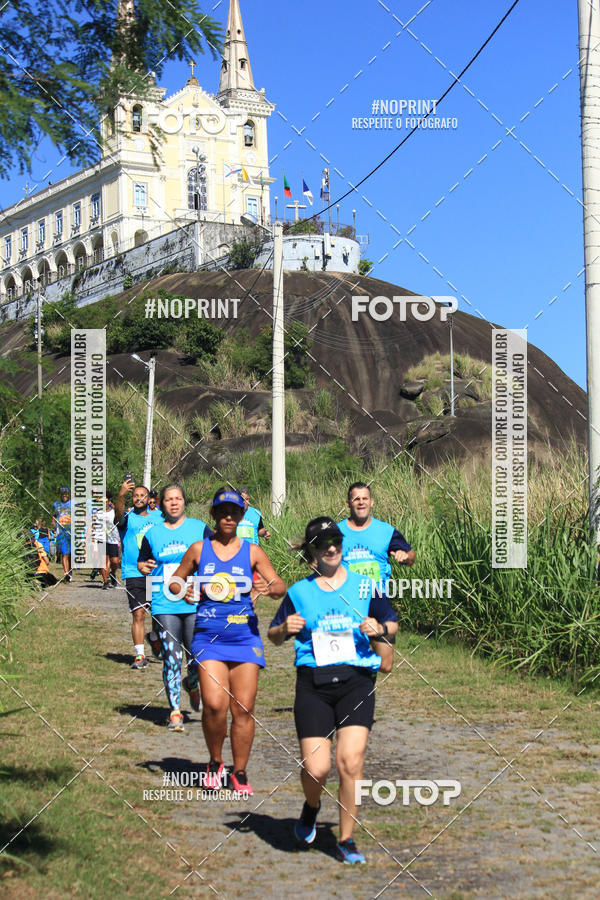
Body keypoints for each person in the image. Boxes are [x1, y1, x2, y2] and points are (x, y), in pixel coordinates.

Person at [268, 516, 398, 864]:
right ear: (312, 551)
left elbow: (392, 621)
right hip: (314, 685)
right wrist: (284, 627)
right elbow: (274, 635)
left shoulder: (365, 585)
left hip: (356, 681)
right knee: (316, 769)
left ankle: (346, 839)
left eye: (336, 541)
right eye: (324, 543)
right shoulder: (299, 592)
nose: (331, 547)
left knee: (350, 762)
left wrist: (378, 626)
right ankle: (311, 807)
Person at [170, 487, 285, 794]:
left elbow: (279, 584)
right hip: (208, 637)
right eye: (223, 512)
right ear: (214, 516)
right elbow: (174, 580)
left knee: (243, 709)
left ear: (241, 516)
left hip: (245, 637)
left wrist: (269, 587)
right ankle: (215, 761)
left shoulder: (253, 552)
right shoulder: (198, 549)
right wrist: (183, 589)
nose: (229, 517)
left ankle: (241, 771)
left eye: (234, 512)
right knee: (214, 706)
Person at [137, 483, 212, 731]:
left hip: (194, 601)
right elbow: (143, 564)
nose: (173, 503)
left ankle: (191, 683)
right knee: (172, 657)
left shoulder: (200, 529)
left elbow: (214, 561)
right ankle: (175, 712)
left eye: (178, 498)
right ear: (162, 504)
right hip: (164, 602)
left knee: (198, 659)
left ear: (184, 502)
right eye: (169, 499)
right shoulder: (153, 534)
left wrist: (201, 587)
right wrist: (142, 568)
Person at [114, 478, 162, 669]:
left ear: (149, 498)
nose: (138, 498)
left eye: (142, 495)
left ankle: (155, 637)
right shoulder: (127, 518)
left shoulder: (159, 518)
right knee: (139, 614)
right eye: (135, 495)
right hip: (133, 571)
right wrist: (120, 495)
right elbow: (117, 517)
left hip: (157, 571)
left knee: (159, 614)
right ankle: (140, 655)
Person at [338, 482, 415, 587]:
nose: (361, 502)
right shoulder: (335, 532)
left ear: (371, 502)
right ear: (348, 504)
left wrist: (405, 557)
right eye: (356, 499)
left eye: (365, 498)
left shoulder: (386, 531)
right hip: (348, 599)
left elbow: (411, 557)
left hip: (378, 597)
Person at [92, 493, 121, 590]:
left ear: (109, 502)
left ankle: (112, 574)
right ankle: (105, 581)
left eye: (105, 502)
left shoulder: (113, 513)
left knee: (115, 561)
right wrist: (93, 537)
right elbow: (94, 526)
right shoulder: (98, 513)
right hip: (101, 539)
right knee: (103, 560)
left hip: (112, 539)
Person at [52, 487, 72, 581]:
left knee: (71, 554)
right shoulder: (56, 504)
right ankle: (66, 573)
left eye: (66, 494)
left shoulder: (73, 504)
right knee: (65, 553)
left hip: (71, 532)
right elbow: (54, 515)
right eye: (63, 494)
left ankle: (70, 571)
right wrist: (54, 525)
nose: (64, 496)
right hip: (61, 532)